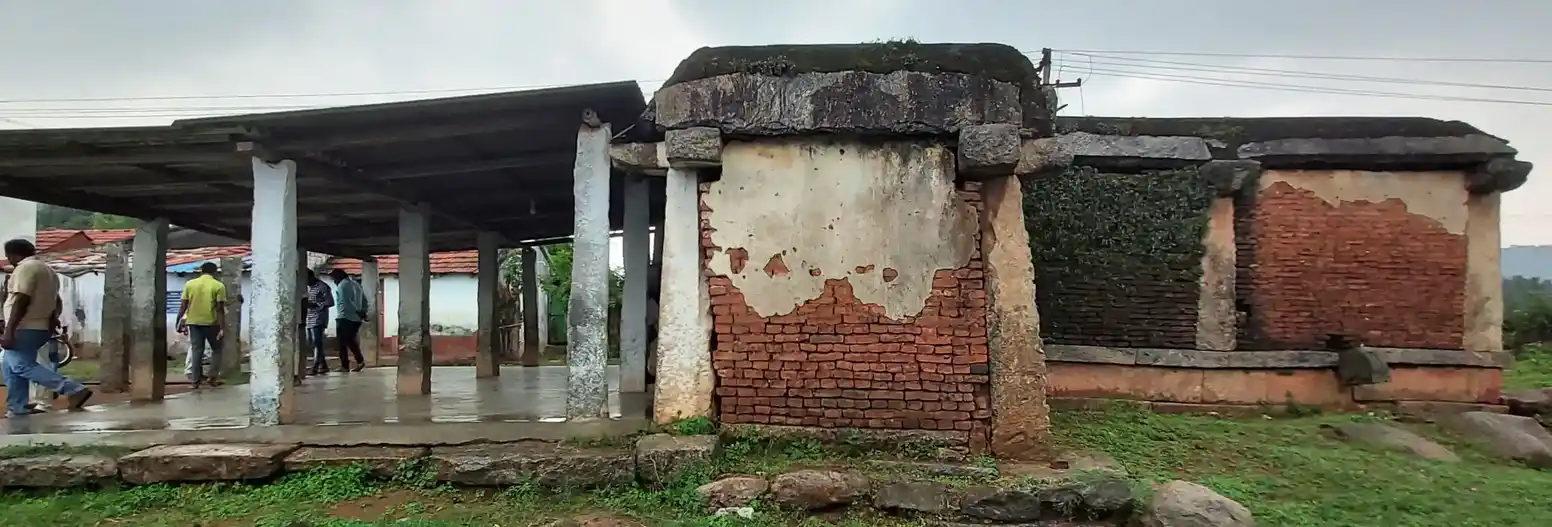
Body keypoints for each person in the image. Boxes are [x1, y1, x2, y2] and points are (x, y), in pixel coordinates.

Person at [1, 239, 90, 417]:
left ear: (13, 254)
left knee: (21, 365)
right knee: (9, 365)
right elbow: (56, 300)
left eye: (8, 255)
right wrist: (52, 319)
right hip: (38, 326)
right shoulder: (48, 270)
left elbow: (21, 300)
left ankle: (72, 389)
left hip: (25, 326)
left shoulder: (25, 268)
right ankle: (17, 407)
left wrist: (9, 330)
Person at [175, 262, 226, 388]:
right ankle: (212, 377)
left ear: (201, 271)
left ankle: (195, 381)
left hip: (193, 322)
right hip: (211, 323)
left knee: (197, 350)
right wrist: (222, 327)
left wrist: (179, 319)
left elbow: (183, 305)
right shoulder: (218, 286)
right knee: (217, 350)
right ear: (214, 272)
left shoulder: (190, 284)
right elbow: (220, 309)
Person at [329, 269, 369, 372]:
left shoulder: (342, 285)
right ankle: (359, 361)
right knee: (351, 341)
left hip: (345, 317)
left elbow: (346, 302)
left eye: (334, 279)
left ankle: (345, 365)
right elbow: (364, 300)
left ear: (338, 277)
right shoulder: (356, 284)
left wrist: (357, 311)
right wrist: (363, 312)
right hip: (356, 319)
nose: (334, 281)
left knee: (342, 342)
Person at [304, 270, 334, 374]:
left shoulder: (322, 286)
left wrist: (316, 305)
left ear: (311, 277)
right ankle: (324, 365)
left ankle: (315, 366)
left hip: (319, 318)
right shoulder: (308, 287)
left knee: (317, 342)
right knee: (314, 343)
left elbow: (330, 302)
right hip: (309, 317)